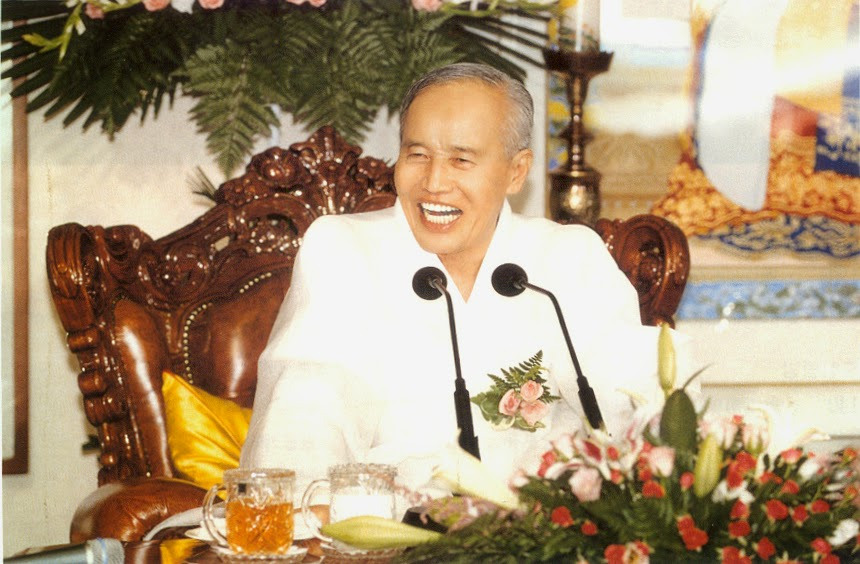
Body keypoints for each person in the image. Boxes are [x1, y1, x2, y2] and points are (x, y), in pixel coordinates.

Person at [240, 63, 683, 504]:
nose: (434, 183)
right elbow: (304, 414)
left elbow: (637, 394)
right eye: (417, 155)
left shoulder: (567, 258)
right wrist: (320, 513)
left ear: (516, 171)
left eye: (461, 160)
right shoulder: (344, 250)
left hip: (535, 526)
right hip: (389, 523)